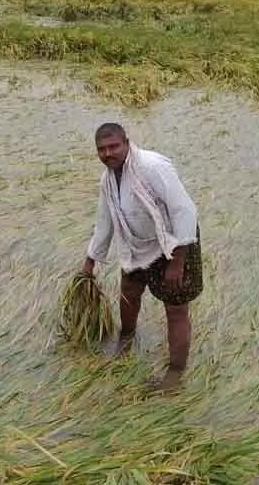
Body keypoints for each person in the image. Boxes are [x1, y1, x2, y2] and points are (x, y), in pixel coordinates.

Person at [79, 122, 203, 392]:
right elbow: (105, 222)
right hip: (136, 243)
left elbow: (185, 211)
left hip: (174, 242)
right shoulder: (108, 180)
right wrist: (90, 261)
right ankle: (126, 339)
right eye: (102, 149)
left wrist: (177, 261)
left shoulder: (152, 167)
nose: (108, 153)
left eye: (113, 146)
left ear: (126, 143)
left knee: (176, 308)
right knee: (129, 292)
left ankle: (175, 372)